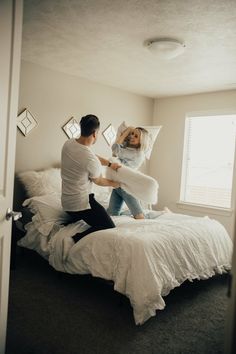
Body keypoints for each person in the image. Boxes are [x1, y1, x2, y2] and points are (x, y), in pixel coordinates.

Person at [61, 114, 121, 243]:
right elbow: (99, 180)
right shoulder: (90, 159)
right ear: (95, 133)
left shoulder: (69, 143)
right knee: (108, 225)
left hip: (66, 204)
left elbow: (92, 157)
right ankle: (75, 239)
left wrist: (110, 164)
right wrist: (114, 183)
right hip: (81, 204)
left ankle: (73, 221)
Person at [107, 126, 149, 219]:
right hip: (118, 185)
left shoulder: (138, 153)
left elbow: (115, 149)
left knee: (139, 216)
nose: (132, 136)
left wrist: (126, 132)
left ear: (142, 140)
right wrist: (126, 134)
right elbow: (114, 153)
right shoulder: (127, 149)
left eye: (136, 136)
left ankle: (161, 214)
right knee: (111, 214)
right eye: (132, 134)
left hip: (127, 186)